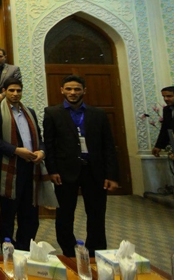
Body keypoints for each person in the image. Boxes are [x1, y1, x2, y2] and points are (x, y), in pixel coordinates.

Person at [43, 75, 119, 256]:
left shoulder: (98, 114)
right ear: (62, 90)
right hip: (65, 171)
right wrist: (52, 170)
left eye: (77, 89)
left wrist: (112, 175)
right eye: (69, 89)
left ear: (84, 91)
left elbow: (108, 145)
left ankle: (95, 252)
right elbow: (49, 144)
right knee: (65, 214)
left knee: (96, 214)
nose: (73, 92)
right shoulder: (52, 113)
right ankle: (69, 251)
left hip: (94, 171)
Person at [0, 78, 49, 250]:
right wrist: (15, 150)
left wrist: (41, 151)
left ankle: (25, 247)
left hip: (32, 167)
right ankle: (7, 249)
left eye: (18, 91)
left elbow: (40, 138)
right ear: (4, 91)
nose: (15, 94)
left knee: (30, 212)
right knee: (9, 212)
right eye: (11, 90)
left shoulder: (30, 112)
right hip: (10, 167)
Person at [151, 85, 174, 157]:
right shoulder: (167, 110)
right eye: (164, 96)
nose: (165, 99)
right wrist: (158, 146)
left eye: (169, 96)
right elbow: (165, 128)